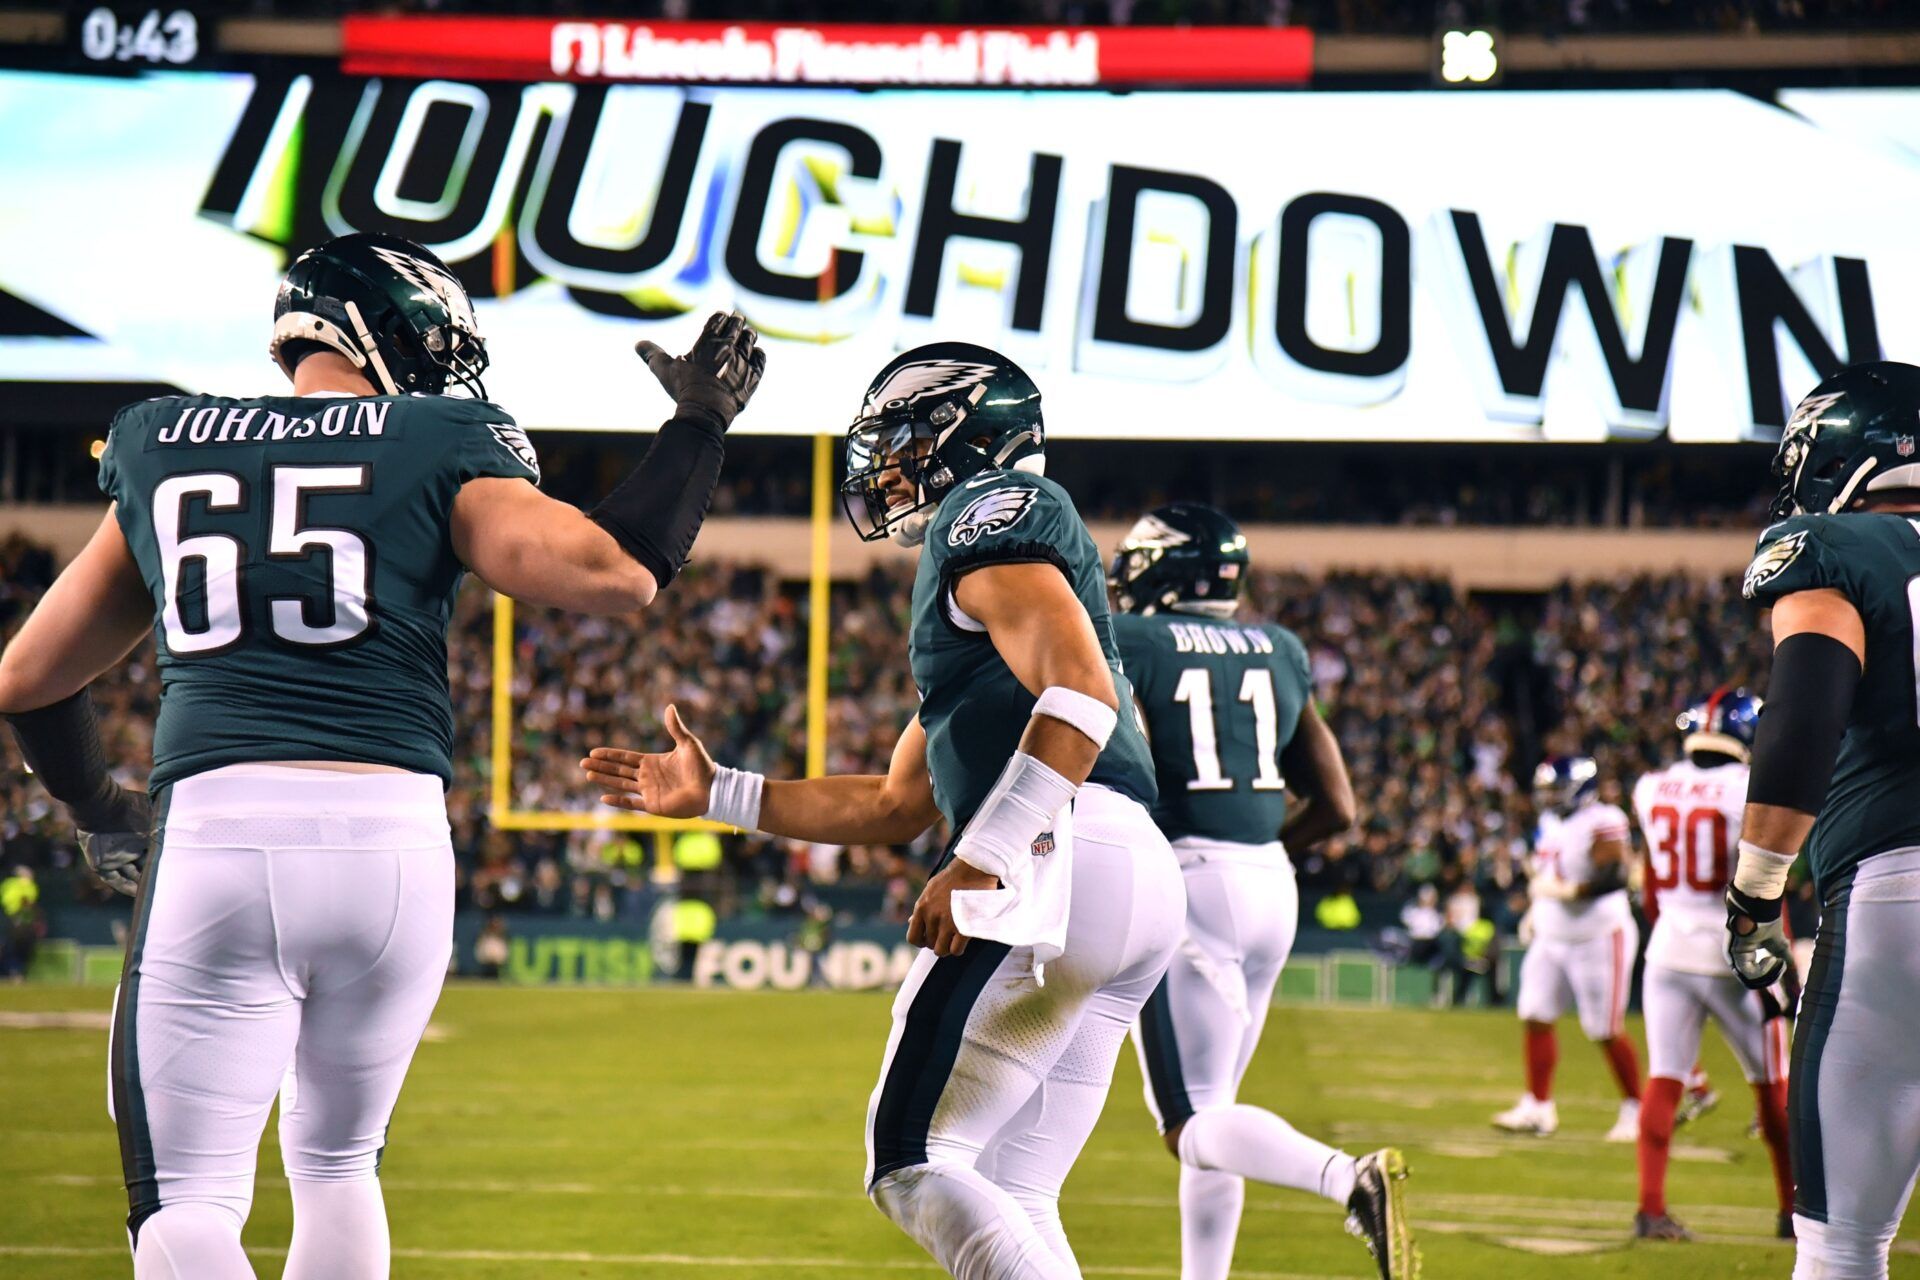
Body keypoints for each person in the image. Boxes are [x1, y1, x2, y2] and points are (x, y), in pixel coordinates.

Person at [0, 231, 764, 1279]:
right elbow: (618, 570)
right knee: (338, 1160)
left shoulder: (161, 440)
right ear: (381, 327)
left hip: (222, 837)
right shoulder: (440, 437)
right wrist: (697, 426)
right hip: (396, 851)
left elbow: (28, 678)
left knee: (186, 1201)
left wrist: (97, 808)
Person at [584, 342, 1183, 1280]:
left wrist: (983, 857)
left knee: (910, 1161)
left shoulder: (990, 514)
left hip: (1056, 852)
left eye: (902, 439)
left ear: (964, 437)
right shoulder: (986, 614)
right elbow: (895, 801)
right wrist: (721, 794)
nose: (884, 463)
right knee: (1013, 1188)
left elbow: (1078, 698)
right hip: (1125, 869)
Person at [1105, 502, 1413, 1280]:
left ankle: (1347, 1178)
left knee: (1190, 1122)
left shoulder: (1134, 638)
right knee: (1220, 1111)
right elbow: (1339, 806)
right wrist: (1260, 847)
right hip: (1270, 882)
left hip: (1187, 884)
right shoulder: (1278, 646)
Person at [1729, 361, 1920, 1278]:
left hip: (1900, 888)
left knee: (1844, 1247)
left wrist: (1756, 895)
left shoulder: (1838, 549)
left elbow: (1801, 722)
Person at [1628, 688, 1793, 1241]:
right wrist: (1780, 959)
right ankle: (1792, 1212)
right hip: (1735, 953)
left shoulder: (1650, 788)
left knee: (1664, 1079)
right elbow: (1765, 880)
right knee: (1773, 1085)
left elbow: (1651, 882)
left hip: (1669, 948)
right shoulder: (1748, 788)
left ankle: (1650, 1209)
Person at [1493, 756, 1643, 1141]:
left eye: (1556, 790)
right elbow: (1548, 873)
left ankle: (1636, 1108)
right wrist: (1537, 909)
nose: (1549, 798)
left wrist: (1569, 891)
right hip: (1552, 933)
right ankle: (1539, 1107)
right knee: (1535, 1013)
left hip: (1597, 935)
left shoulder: (1603, 819)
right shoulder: (1551, 822)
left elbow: (1615, 876)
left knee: (1604, 1028)